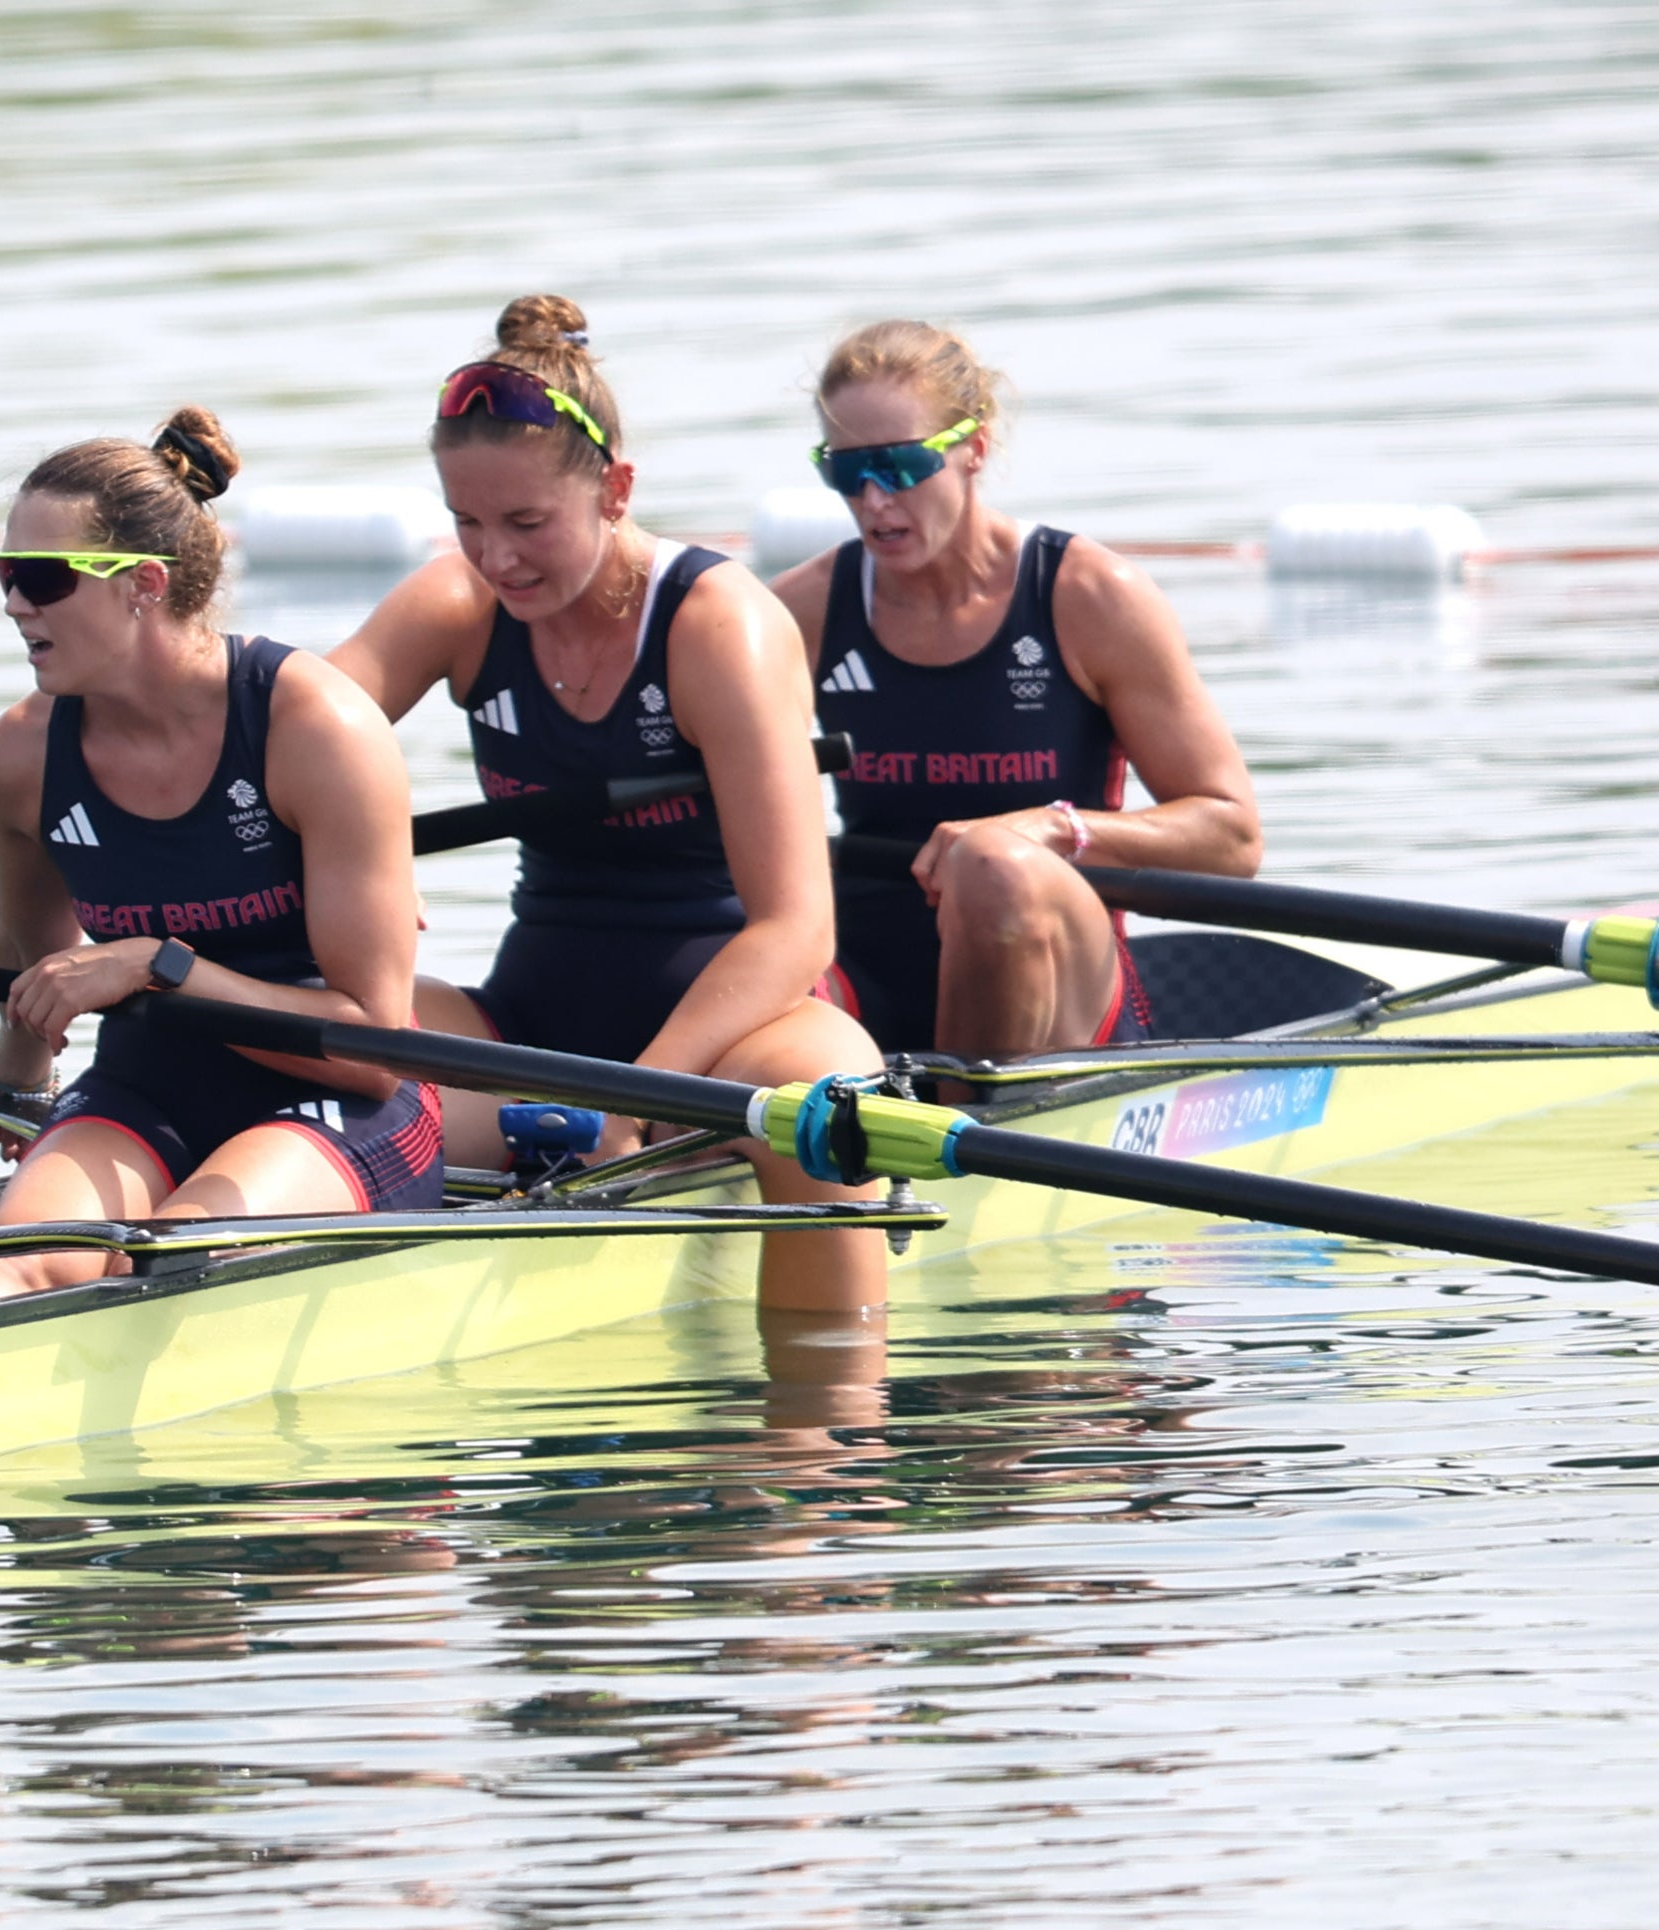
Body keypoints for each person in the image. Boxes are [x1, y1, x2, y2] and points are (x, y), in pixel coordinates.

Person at [326, 294, 888, 1316]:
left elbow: (797, 928)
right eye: (467, 523)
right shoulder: (457, 604)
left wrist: (630, 1099)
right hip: (529, 1027)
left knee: (821, 1113)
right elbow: (279, 741)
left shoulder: (719, 626)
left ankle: (821, 1436)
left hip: (739, 1037)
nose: (495, 557)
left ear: (616, 490)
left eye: (527, 523)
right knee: (301, 1045)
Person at [0, 409, 442, 1306]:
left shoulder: (314, 728)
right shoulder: (15, 762)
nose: (15, 602)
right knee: (14, 1268)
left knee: (175, 1258)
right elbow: (26, 950)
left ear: (140, 584)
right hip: (148, 1085)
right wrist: (18, 1086)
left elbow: (373, 1046)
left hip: (343, 1101)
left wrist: (161, 969)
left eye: (42, 578)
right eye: (6, 575)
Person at [770, 320, 1262, 1059]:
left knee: (993, 866)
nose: (872, 500)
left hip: (1060, 986)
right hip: (863, 978)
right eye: (845, 472)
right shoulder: (799, 612)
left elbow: (1233, 837)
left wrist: (1057, 828)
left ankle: (967, 1128)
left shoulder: (1091, 597)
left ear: (976, 447)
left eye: (900, 466)